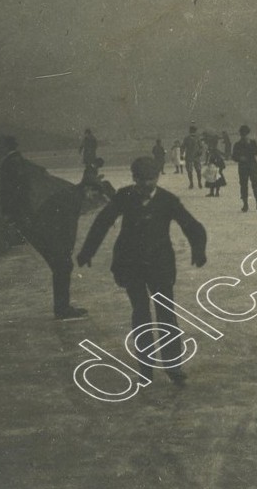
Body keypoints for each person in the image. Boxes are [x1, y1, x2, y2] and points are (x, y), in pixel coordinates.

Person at [76, 157, 207, 387]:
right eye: (142, 179)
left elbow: (191, 225)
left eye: (152, 179)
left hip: (160, 265)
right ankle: (145, 366)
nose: (147, 184)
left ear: (157, 177)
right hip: (131, 264)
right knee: (141, 313)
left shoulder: (167, 200)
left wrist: (199, 250)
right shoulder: (124, 196)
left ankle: (173, 364)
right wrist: (88, 250)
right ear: (134, 178)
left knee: (166, 313)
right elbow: (103, 221)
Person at [0, 135, 88, 321]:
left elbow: (14, 194)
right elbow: (20, 194)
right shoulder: (16, 163)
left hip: (28, 219)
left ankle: (62, 308)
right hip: (31, 220)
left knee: (61, 263)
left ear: (6, 147)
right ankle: (62, 308)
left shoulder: (11, 164)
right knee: (62, 263)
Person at [232, 125, 257, 212]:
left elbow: (255, 152)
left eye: (245, 134)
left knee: (255, 185)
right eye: (243, 134)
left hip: (251, 166)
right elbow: (234, 156)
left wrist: (248, 145)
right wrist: (240, 158)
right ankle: (245, 204)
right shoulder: (237, 144)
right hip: (244, 167)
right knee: (244, 186)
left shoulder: (252, 142)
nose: (244, 136)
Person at [183, 125, 203, 190]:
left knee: (198, 170)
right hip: (189, 157)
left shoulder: (198, 138)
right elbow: (183, 146)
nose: (193, 132)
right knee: (189, 171)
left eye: (194, 130)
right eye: (192, 130)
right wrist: (181, 154)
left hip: (196, 157)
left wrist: (200, 152)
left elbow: (201, 147)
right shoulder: (186, 138)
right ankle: (191, 183)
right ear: (190, 131)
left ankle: (199, 182)